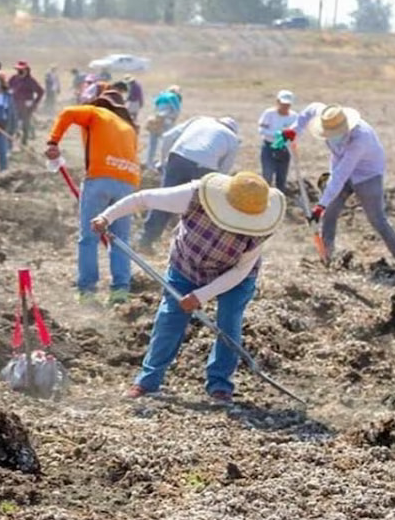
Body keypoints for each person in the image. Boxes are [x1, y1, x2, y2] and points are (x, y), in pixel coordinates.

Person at [92, 172, 285, 403]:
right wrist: (107, 216)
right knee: (169, 319)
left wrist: (200, 295)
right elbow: (144, 199)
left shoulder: (260, 228)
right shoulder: (196, 195)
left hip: (233, 278)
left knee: (228, 325)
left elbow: (240, 271)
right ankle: (148, 381)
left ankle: (220, 385)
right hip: (186, 265)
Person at [294, 102, 395, 276]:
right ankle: (326, 256)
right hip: (341, 170)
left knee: (377, 220)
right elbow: (310, 110)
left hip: (368, 175)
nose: (331, 136)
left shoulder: (360, 138)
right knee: (330, 214)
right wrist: (294, 130)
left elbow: (341, 174)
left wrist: (320, 205)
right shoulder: (328, 117)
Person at [45, 90, 140, 305]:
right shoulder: (129, 128)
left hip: (100, 180)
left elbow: (68, 112)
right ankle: (120, 291)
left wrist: (53, 142)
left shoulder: (96, 113)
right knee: (120, 240)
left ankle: (87, 290)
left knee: (89, 238)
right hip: (127, 184)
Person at [139, 116, 241, 252]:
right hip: (204, 166)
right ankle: (187, 248)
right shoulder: (232, 139)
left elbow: (168, 136)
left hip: (178, 157)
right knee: (196, 209)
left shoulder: (200, 120)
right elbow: (224, 170)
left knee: (164, 199)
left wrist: (164, 162)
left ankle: (146, 241)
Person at [257, 90, 298, 191]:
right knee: (267, 176)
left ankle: (280, 200)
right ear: (278, 102)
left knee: (281, 179)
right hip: (269, 147)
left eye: (287, 105)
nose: (285, 107)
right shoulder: (269, 114)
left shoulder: (294, 117)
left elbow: (296, 133)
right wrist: (277, 134)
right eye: (283, 104)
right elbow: (261, 130)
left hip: (284, 149)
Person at [144, 85, 183, 168]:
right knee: (167, 142)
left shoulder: (160, 96)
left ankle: (149, 163)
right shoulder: (173, 97)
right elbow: (176, 111)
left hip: (156, 120)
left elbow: (155, 109)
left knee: (152, 143)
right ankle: (164, 163)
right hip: (166, 122)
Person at [9, 61, 45, 145]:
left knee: (25, 125)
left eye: (21, 70)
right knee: (12, 124)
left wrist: (35, 103)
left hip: (26, 107)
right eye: (18, 69)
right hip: (14, 105)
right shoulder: (13, 78)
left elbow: (41, 91)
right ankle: (11, 141)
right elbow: (7, 87)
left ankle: (24, 142)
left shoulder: (30, 81)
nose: (19, 71)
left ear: (26, 70)